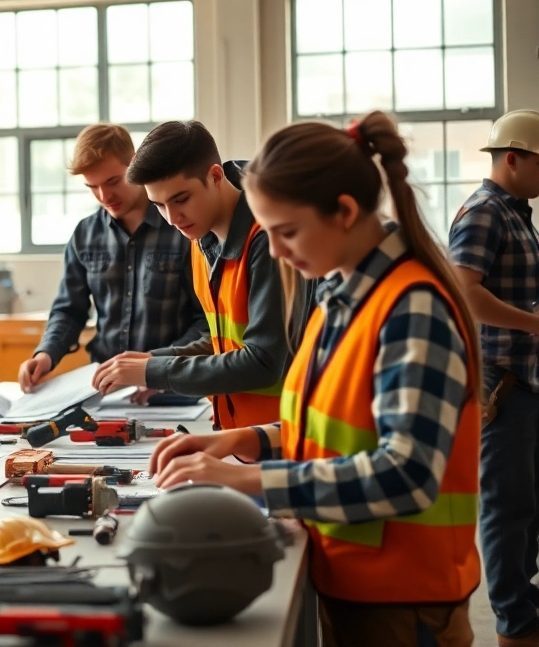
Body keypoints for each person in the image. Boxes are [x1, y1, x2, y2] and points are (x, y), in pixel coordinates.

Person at [151, 112, 480, 647]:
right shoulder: (339, 296)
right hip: (351, 578)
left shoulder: (410, 309)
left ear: (345, 212)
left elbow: (408, 473)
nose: (276, 253)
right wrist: (244, 440)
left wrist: (249, 480)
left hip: (405, 601)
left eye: (286, 232)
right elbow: (338, 430)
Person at [93, 120, 312, 430]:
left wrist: (157, 371)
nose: (172, 219)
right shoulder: (199, 236)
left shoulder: (268, 240)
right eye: (159, 205)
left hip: (282, 437)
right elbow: (221, 342)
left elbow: (263, 363)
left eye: (181, 199)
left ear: (215, 175)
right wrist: (150, 361)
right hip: (240, 435)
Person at [17, 124, 206, 393]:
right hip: (106, 392)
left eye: (112, 181)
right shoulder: (85, 234)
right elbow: (69, 310)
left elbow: (207, 320)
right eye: (92, 186)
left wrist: (158, 367)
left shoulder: (182, 228)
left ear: (135, 163)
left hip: (175, 389)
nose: (104, 196)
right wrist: (45, 354)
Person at [448, 110, 539, 646]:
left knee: (527, 504)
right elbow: (467, 292)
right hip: (501, 386)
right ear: (513, 158)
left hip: (523, 379)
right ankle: (514, 621)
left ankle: (522, 605)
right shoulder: (485, 213)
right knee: (507, 507)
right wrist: (534, 323)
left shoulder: (516, 212)